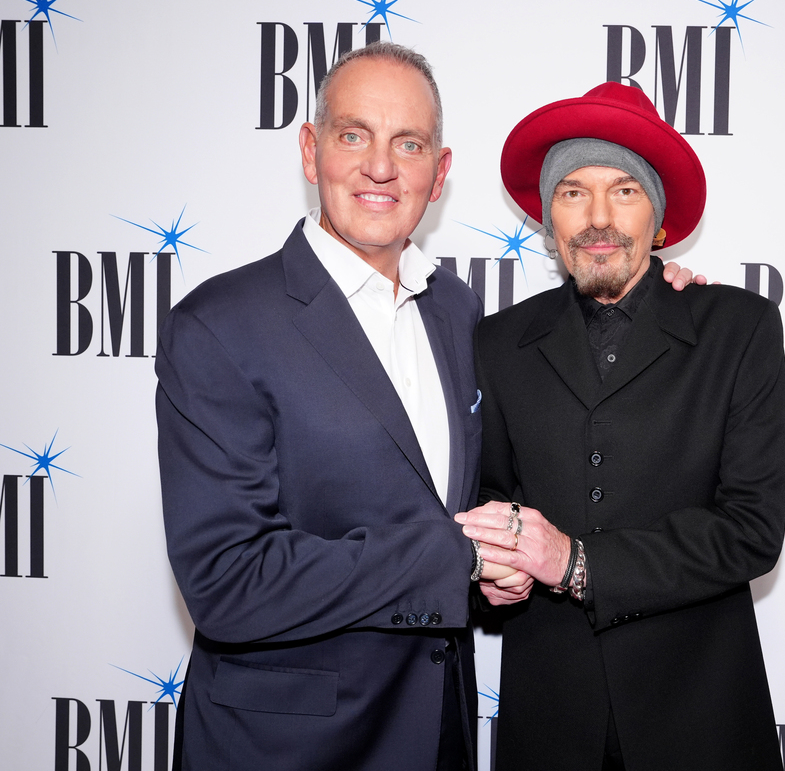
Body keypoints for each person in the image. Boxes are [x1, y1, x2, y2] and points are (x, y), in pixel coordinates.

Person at [156, 42, 700, 770]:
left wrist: (653, 308)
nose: (380, 167)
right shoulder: (220, 326)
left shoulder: (455, 312)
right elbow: (227, 582)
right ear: (311, 151)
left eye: (407, 143)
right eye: (354, 135)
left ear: (439, 173)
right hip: (286, 747)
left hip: (438, 737)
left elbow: (461, 506)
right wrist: (460, 558)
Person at [456, 81, 785, 770]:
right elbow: (489, 507)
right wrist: (490, 576)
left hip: (701, 714)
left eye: (626, 191)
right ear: (549, 218)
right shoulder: (497, 342)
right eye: (574, 191)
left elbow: (751, 530)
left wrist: (579, 565)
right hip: (549, 720)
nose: (598, 217)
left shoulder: (737, 327)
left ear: (659, 221)